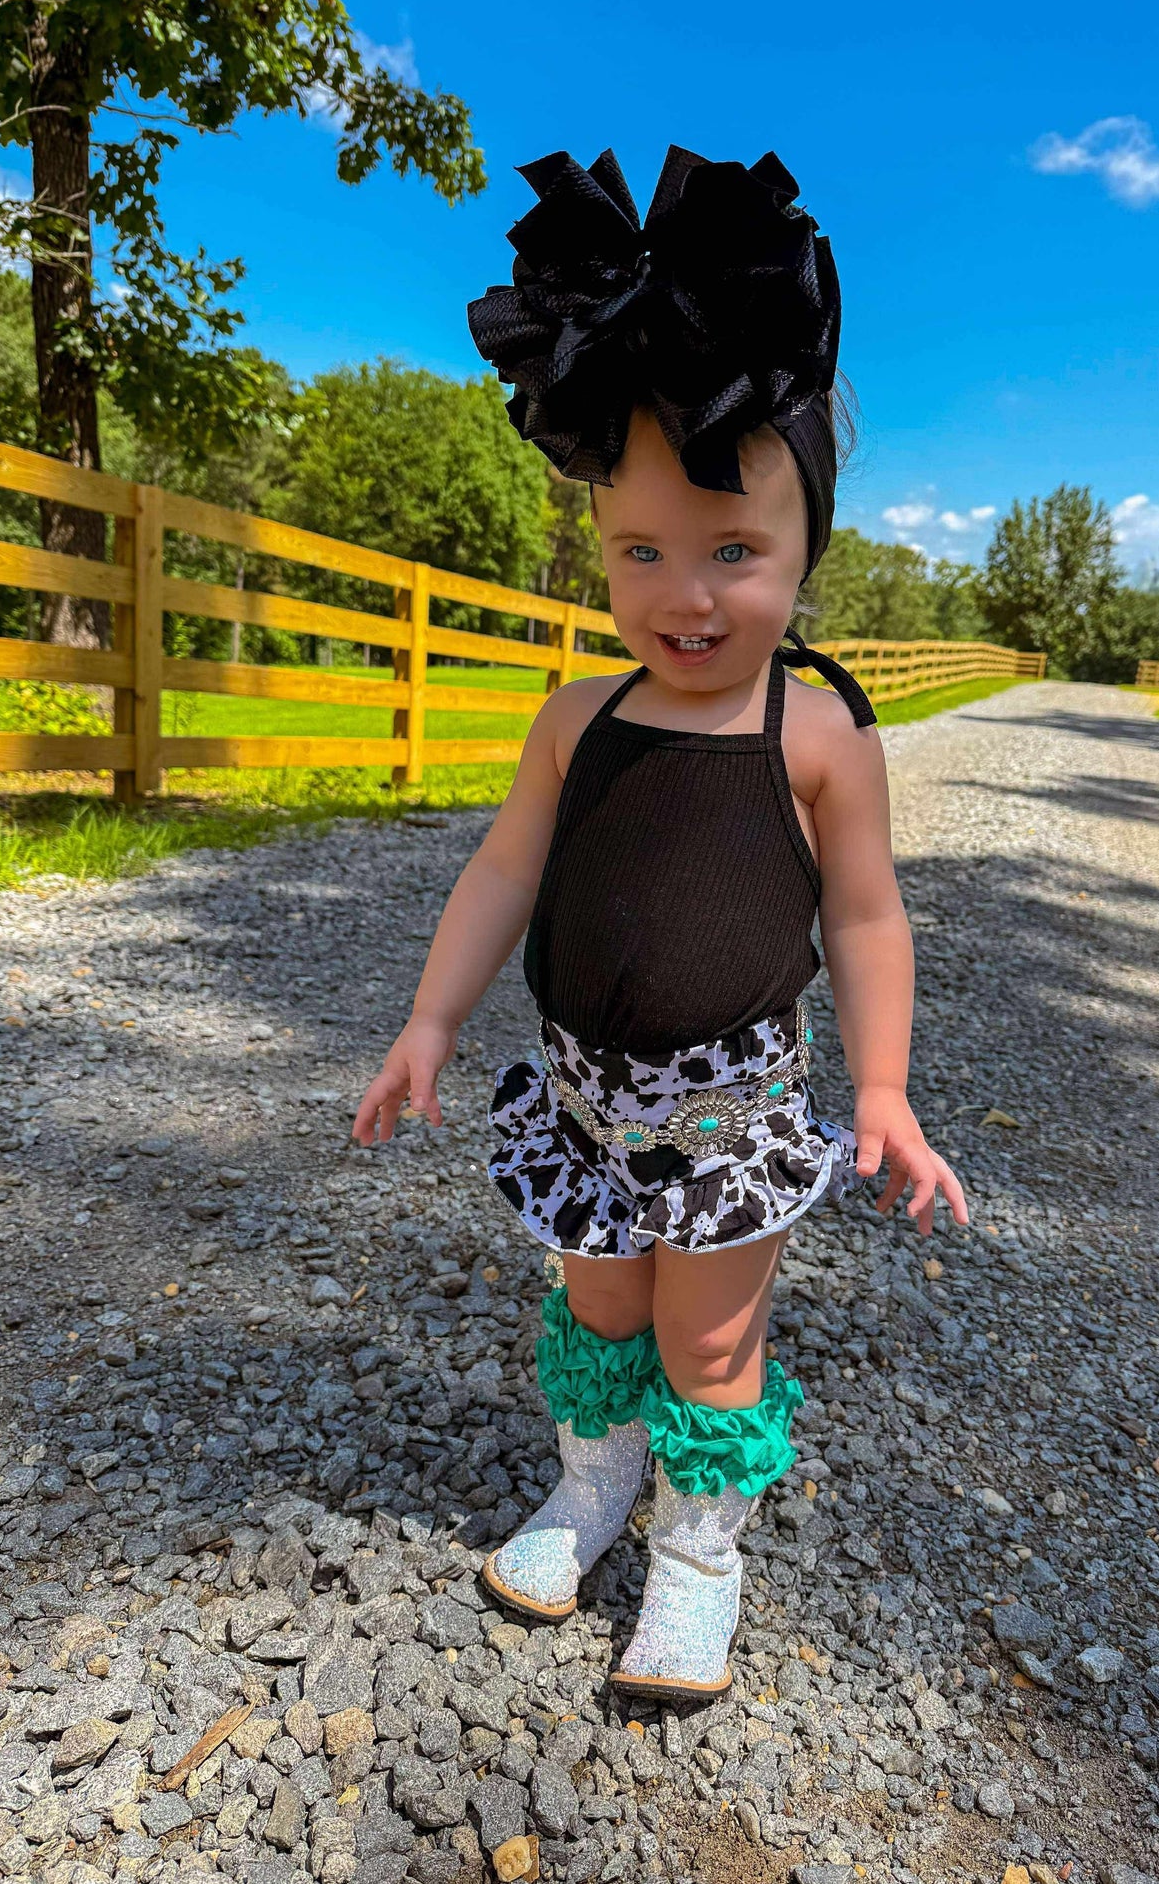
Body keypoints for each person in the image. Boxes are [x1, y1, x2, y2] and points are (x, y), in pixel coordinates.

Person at [353, 144, 967, 1702]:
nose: (684, 596)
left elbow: (867, 919)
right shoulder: (576, 720)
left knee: (706, 1342)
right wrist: (430, 1020)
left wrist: (883, 1089)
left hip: (729, 1121)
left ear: (805, 549)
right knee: (598, 1305)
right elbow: (502, 874)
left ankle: (698, 1554)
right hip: (581, 1104)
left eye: (732, 553)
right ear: (602, 548)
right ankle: (593, 1483)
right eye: (642, 552)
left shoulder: (817, 739)